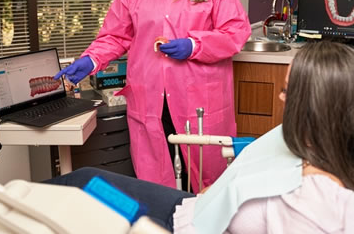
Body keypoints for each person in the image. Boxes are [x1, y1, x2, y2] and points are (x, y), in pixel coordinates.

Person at [47, 40, 354, 233]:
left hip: (172, 223)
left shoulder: (319, 203)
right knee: (87, 182)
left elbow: (233, 34)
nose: (281, 98)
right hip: (192, 208)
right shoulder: (300, 139)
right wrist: (217, 190)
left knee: (87, 193)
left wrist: (196, 44)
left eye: (287, 90)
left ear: (312, 103)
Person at [54, 0, 251, 192]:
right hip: (151, 100)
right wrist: (91, 59)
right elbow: (115, 34)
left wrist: (194, 45)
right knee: (155, 182)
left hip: (198, 100)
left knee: (209, 182)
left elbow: (235, 33)